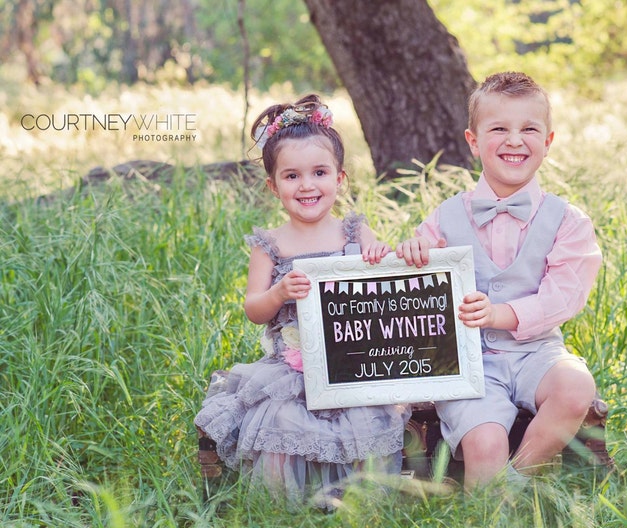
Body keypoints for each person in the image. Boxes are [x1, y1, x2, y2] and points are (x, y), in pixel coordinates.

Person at [195, 94, 411, 505]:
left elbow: (388, 282)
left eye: (319, 172)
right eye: (292, 176)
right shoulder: (271, 245)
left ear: (340, 179)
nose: (307, 185)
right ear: (273, 185)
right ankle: (286, 503)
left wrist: (380, 260)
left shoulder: (353, 233)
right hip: (291, 366)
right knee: (281, 422)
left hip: (353, 360)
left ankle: (353, 500)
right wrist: (278, 292)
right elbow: (254, 309)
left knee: (364, 421)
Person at [396, 72, 601, 489]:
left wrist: (500, 313)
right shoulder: (447, 216)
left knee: (575, 385)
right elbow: (414, 287)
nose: (514, 140)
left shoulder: (568, 221)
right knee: (486, 443)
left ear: (548, 141)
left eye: (529, 129)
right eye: (499, 129)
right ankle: (489, 506)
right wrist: (412, 254)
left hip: (536, 353)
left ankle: (517, 481)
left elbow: (564, 296)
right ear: (473, 141)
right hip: (470, 364)